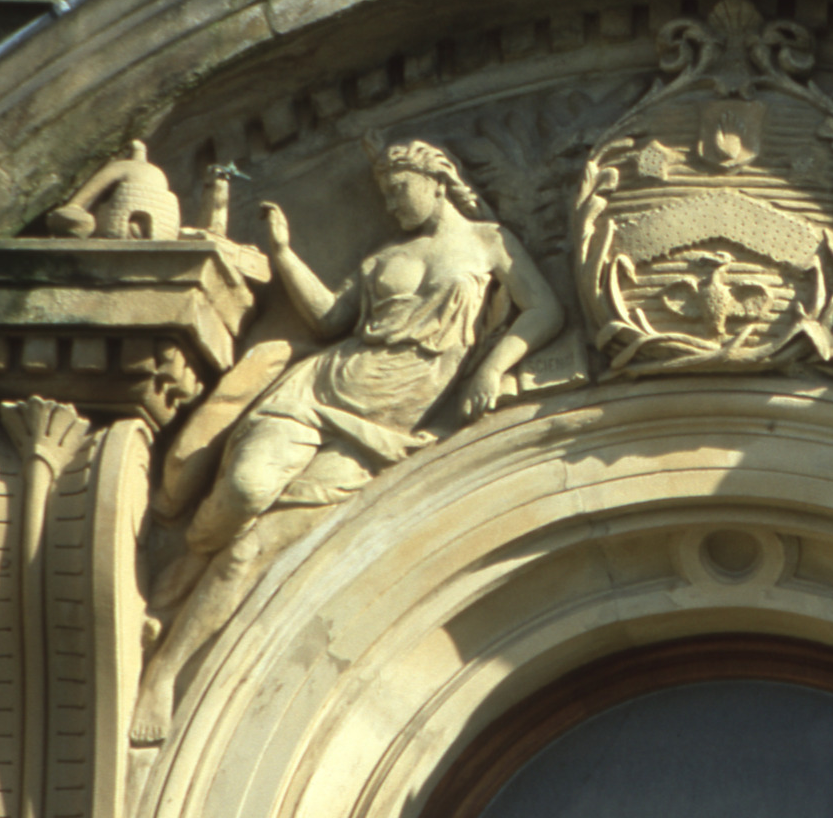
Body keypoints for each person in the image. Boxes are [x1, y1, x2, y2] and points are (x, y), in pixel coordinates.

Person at [131, 138, 563, 745]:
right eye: (384, 192)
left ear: (436, 180)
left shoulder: (490, 242)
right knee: (245, 489)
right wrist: (283, 253)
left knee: (249, 551)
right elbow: (332, 320)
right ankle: (181, 573)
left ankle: (165, 669)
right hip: (315, 391)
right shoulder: (384, 256)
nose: (391, 202)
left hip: (379, 432)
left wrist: (492, 368)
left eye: (399, 188)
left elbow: (543, 310)